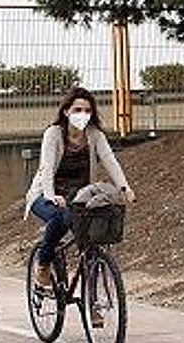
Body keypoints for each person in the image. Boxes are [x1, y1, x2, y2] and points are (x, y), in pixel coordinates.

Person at [24, 87, 135, 288]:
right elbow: (46, 167)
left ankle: (92, 303)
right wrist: (50, 195)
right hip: (45, 194)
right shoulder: (54, 133)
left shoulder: (95, 135)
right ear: (66, 111)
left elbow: (110, 161)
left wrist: (124, 188)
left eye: (87, 110)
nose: (82, 115)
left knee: (91, 242)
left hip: (79, 196)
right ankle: (43, 263)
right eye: (77, 110)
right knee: (61, 217)